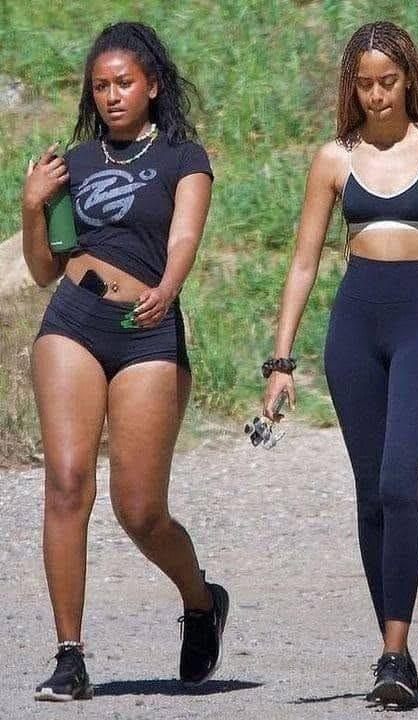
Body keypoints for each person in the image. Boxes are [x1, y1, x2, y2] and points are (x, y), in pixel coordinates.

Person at [263, 21, 418, 709]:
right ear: (351, 87)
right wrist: (281, 361)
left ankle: (396, 651)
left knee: (400, 482)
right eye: (365, 84)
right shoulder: (333, 159)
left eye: (388, 82)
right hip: (355, 332)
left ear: (409, 79)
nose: (377, 95)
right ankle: (393, 655)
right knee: (371, 493)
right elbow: (304, 263)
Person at [22, 21, 228, 702]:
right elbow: (42, 268)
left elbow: (185, 235)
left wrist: (168, 288)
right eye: (100, 86)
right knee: (66, 483)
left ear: (152, 85)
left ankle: (201, 601)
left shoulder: (182, 157)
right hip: (74, 321)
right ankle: (69, 655)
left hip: (147, 330)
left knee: (140, 511)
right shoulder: (74, 164)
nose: (111, 96)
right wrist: (31, 206)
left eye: (124, 83)